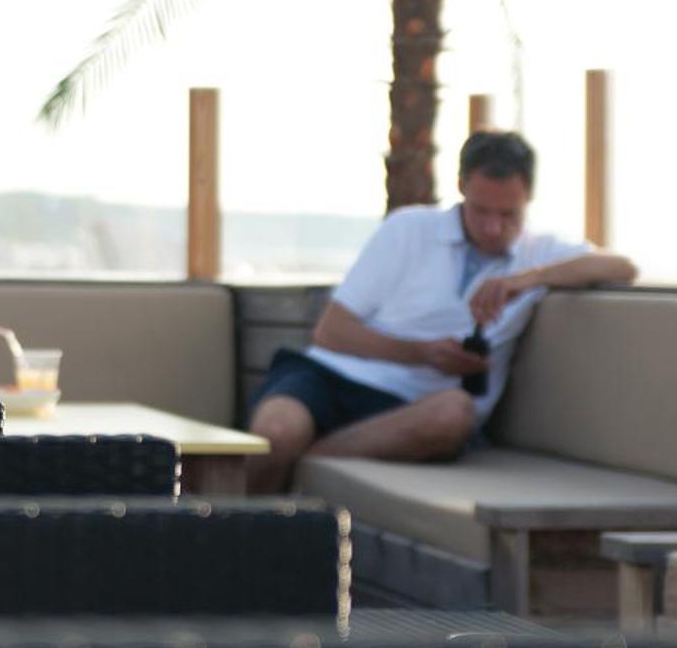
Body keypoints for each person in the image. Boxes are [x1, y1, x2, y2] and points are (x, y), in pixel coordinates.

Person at [245, 131, 637, 494]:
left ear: (528, 199)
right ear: (462, 187)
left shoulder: (540, 253)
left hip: (418, 408)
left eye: (509, 215)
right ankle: (232, 541)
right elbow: (331, 332)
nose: (493, 227)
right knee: (277, 431)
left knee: (454, 414)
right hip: (332, 376)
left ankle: (305, 469)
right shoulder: (409, 228)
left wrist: (525, 280)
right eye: (481, 211)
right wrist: (422, 353)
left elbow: (622, 267)